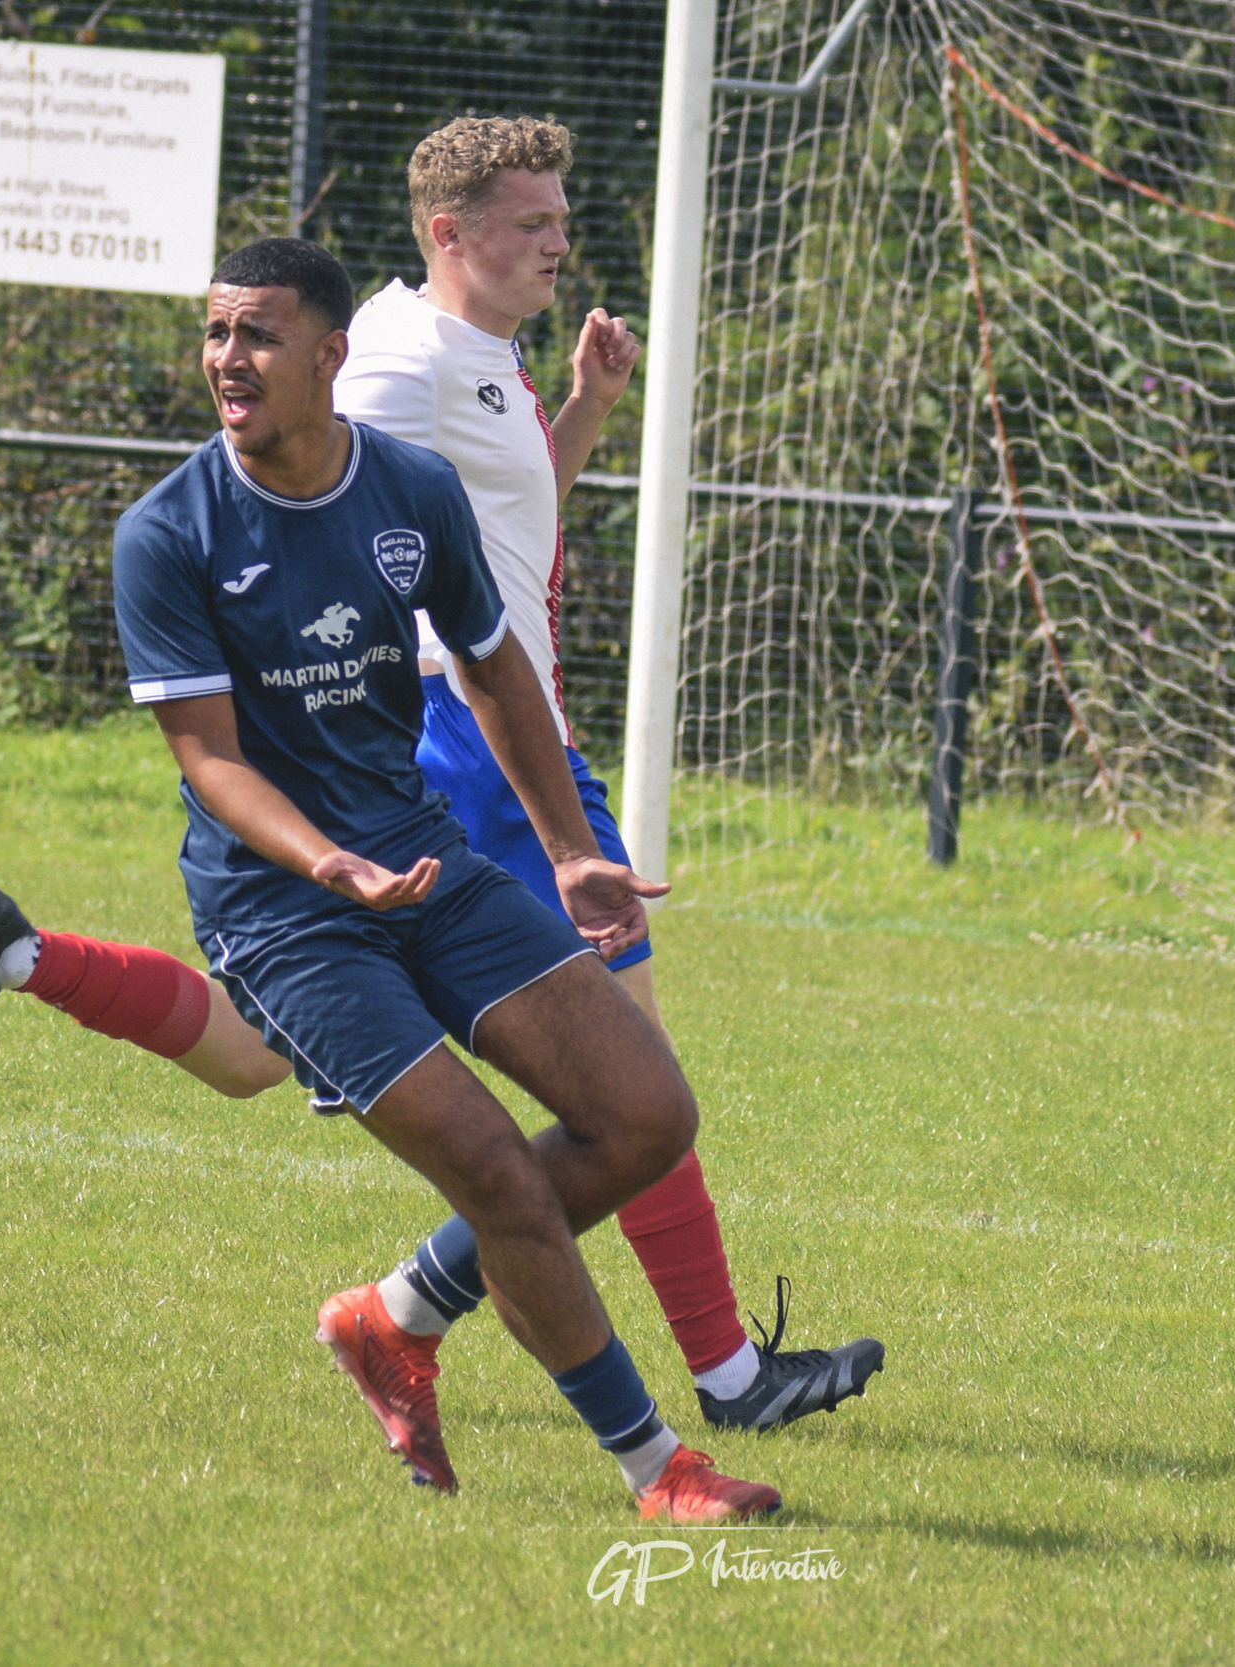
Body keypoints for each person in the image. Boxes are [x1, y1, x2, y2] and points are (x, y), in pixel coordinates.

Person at [0, 238, 778, 1523]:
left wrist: (570, 847)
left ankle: (390, 1318)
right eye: (218, 332)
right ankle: (655, 1467)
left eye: (260, 335)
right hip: (283, 912)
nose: (229, 358)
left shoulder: (409, 490)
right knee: (499, 1176)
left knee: (648, 1112)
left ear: (331, 353)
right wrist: (324, 858)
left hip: (427, 858)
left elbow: (494, 668)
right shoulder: (166, 531)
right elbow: (210, 762)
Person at [327, 114, 883, 1438]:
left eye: (563, 221)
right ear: (449, 233)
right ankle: (689, 1372)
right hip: (466, 741)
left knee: (618, 1082)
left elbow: (508, 524)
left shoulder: (484, 355)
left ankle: (406, 1312)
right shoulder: (396, 361)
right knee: (630, 1083)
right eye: (533, 224)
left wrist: (584, 409)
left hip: (507, 735)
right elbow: (317, 522)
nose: (558, 245)